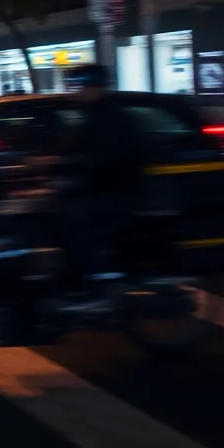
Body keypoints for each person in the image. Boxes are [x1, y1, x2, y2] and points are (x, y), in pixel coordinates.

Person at [53, 63, 145, 313]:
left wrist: (64, 165)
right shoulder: (90, 114)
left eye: (78, 86)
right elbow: (72, 149)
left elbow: (103, 157)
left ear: (95, 87)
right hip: (97, 186)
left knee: (76, 222)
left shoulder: (111, 116)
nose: (74, 92)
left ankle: (102, 285)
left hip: (116, 191)